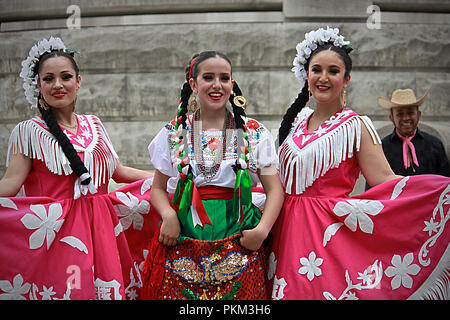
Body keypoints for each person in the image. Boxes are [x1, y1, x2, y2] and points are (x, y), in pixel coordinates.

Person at [269, 27, 450, 300]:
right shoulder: (294, 123)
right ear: (306, 75)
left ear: (346, 79)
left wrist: (436, 191)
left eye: (333, 71)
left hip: (324, 240)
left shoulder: (356, 126)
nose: (323, 77)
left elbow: (386, 182)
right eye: (316, 69)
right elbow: (277, 181)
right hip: (282, 236)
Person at [0, 37, 156, 300]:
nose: (58, 84)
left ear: (78, 81)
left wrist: (168, 178)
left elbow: (118, 171)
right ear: (38, 85)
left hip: (104, 229)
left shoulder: (94, 124)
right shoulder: (28, 132)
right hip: (60, 234)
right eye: (48, 79)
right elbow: (10, 183)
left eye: (65, 77)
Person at [141, 51, 284, 300]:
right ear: (194, 85)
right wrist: (168, 215)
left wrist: (262, 231)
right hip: (184, 235)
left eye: (224, 78)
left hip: (239, 237)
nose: (217, 85)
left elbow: (275, 189)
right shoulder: (174, 132)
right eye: (208, 77)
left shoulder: (254, 132)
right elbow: (158, 188)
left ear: (232, 85)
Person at [377, 88, 450, 177]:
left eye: (410, 113)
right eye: (400, 114)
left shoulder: (435, 145)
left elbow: (446, 183)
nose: (406, 118)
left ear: (418, 115)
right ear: (391, 118)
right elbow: (374, 187)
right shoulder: (382, 149)